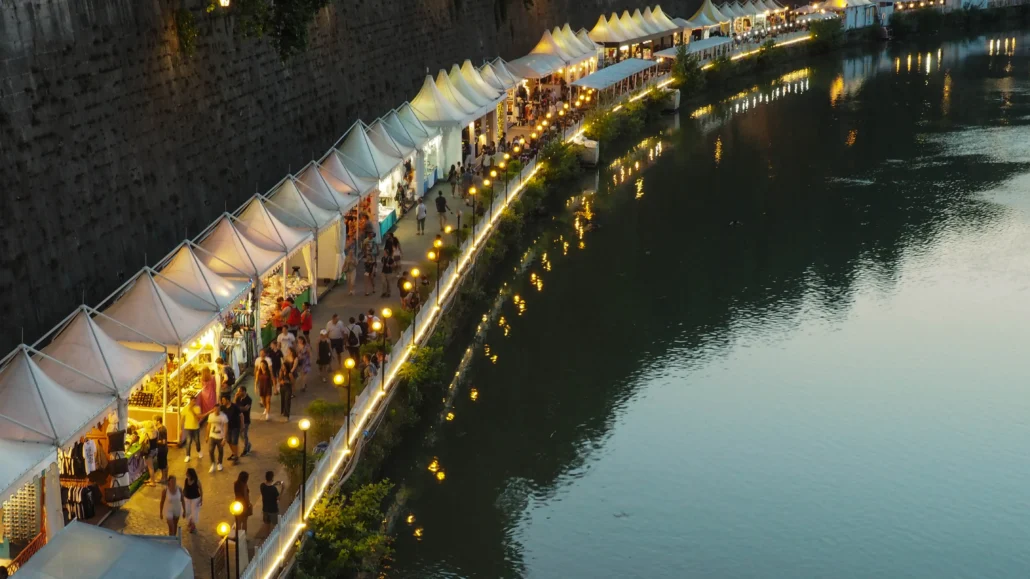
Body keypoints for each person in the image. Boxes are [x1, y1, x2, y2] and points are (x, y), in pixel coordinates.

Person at [204, 403, 228, 473]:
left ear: (220, 409)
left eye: (218, 409)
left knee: (220, 451)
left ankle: (219, 463)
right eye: (215, 409)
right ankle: (212, 464)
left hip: (220, 436)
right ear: (214, 409)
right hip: (212, 436)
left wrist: (224, 438)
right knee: (211, 450)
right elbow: (208, 426)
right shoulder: (211, 416)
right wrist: (206, 436)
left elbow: (226, 427)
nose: (217, 410)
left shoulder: (224, 417)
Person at [259, 471, 283, 538]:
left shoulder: (262, 486)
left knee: (267, 525)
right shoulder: (274, 489)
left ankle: (267, 538)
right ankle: (276, 537)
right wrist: (283, 489)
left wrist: (274, 484)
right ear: (272, 478)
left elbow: (268, 488)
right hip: (273, 510)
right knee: (276, 525)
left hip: (265, 509)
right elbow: (278, 498)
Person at [220, 394, 242, 464]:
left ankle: (236, 457)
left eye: (223, 400)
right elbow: (215, 409)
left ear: (228, 400)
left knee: (234, 442)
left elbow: (241, 415)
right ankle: (234, 453)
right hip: (228, 427)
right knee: (229, 441)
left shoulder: (234, 406)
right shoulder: (223, 407)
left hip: (235, 427)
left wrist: (242, 425)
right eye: (222, 400)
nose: (222, 401)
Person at [182, 468, 203, 534]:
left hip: (195, 499)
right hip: (187, 498)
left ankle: (193, 525)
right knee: (187, 511)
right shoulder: (186, 480)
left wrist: (201, 499)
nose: (186, 473)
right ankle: (190, 521)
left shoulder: (197, 481)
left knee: (194, 512)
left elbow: (201, 490)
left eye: (187, 472)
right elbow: (185, 489)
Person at [182, 396, 202, 463]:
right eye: (193, 401)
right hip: (188, 428)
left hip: (195, 427)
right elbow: (182, 418)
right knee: (188, 442)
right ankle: (187, 455)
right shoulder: (185, 408)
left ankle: (199, 451)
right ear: (190, 401)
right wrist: (180, 429)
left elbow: (198, 418)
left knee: (197, 441)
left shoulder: (197, 408)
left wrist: (192, 410)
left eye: (195, 401)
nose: (194, 402)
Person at [235, 387, 253, 456]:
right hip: (239, 419)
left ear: (244, 391)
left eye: (239, 391)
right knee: (240, 434)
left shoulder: (249, 399)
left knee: (244, 434)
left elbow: (246, 409)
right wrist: (235, 397)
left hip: (246, 420)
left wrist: (238, 408)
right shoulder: (238, 398)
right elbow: (234, 406)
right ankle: (248, 444)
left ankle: (246, 449)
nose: (238, 393)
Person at [255, 354, 273, 421]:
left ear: (265, 365)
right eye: (261, 365)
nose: (262, 366)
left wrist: (274, 387)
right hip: (261, 387)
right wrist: (255, 387)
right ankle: (265, 408)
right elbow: (256, 380)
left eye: (263, 365)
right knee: (263, 401)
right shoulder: (258, 372)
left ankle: (268, 414)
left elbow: (272, 378)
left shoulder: (269, 372)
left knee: (268, 401)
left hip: (268, 387)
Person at [362, 232, 379, 296]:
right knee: (366, 277)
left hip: (372, 263)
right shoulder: (365, 241)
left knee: (371, 278)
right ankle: (367, 291)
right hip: (368, 265)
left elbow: (376, 246)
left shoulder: (374, 241)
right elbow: (363, 247)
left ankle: (373, 287)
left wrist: (377, 251)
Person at [153, 415, 168, 484]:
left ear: (158, 421)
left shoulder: (161, 430)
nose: (153, 422)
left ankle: (163, 478)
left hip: (162, 449)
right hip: (163, 449)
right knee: (164, 463)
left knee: (162, 464)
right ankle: (165, 477)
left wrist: (155, 441)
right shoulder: (162, 428)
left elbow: (163, 441)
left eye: (154, 420)